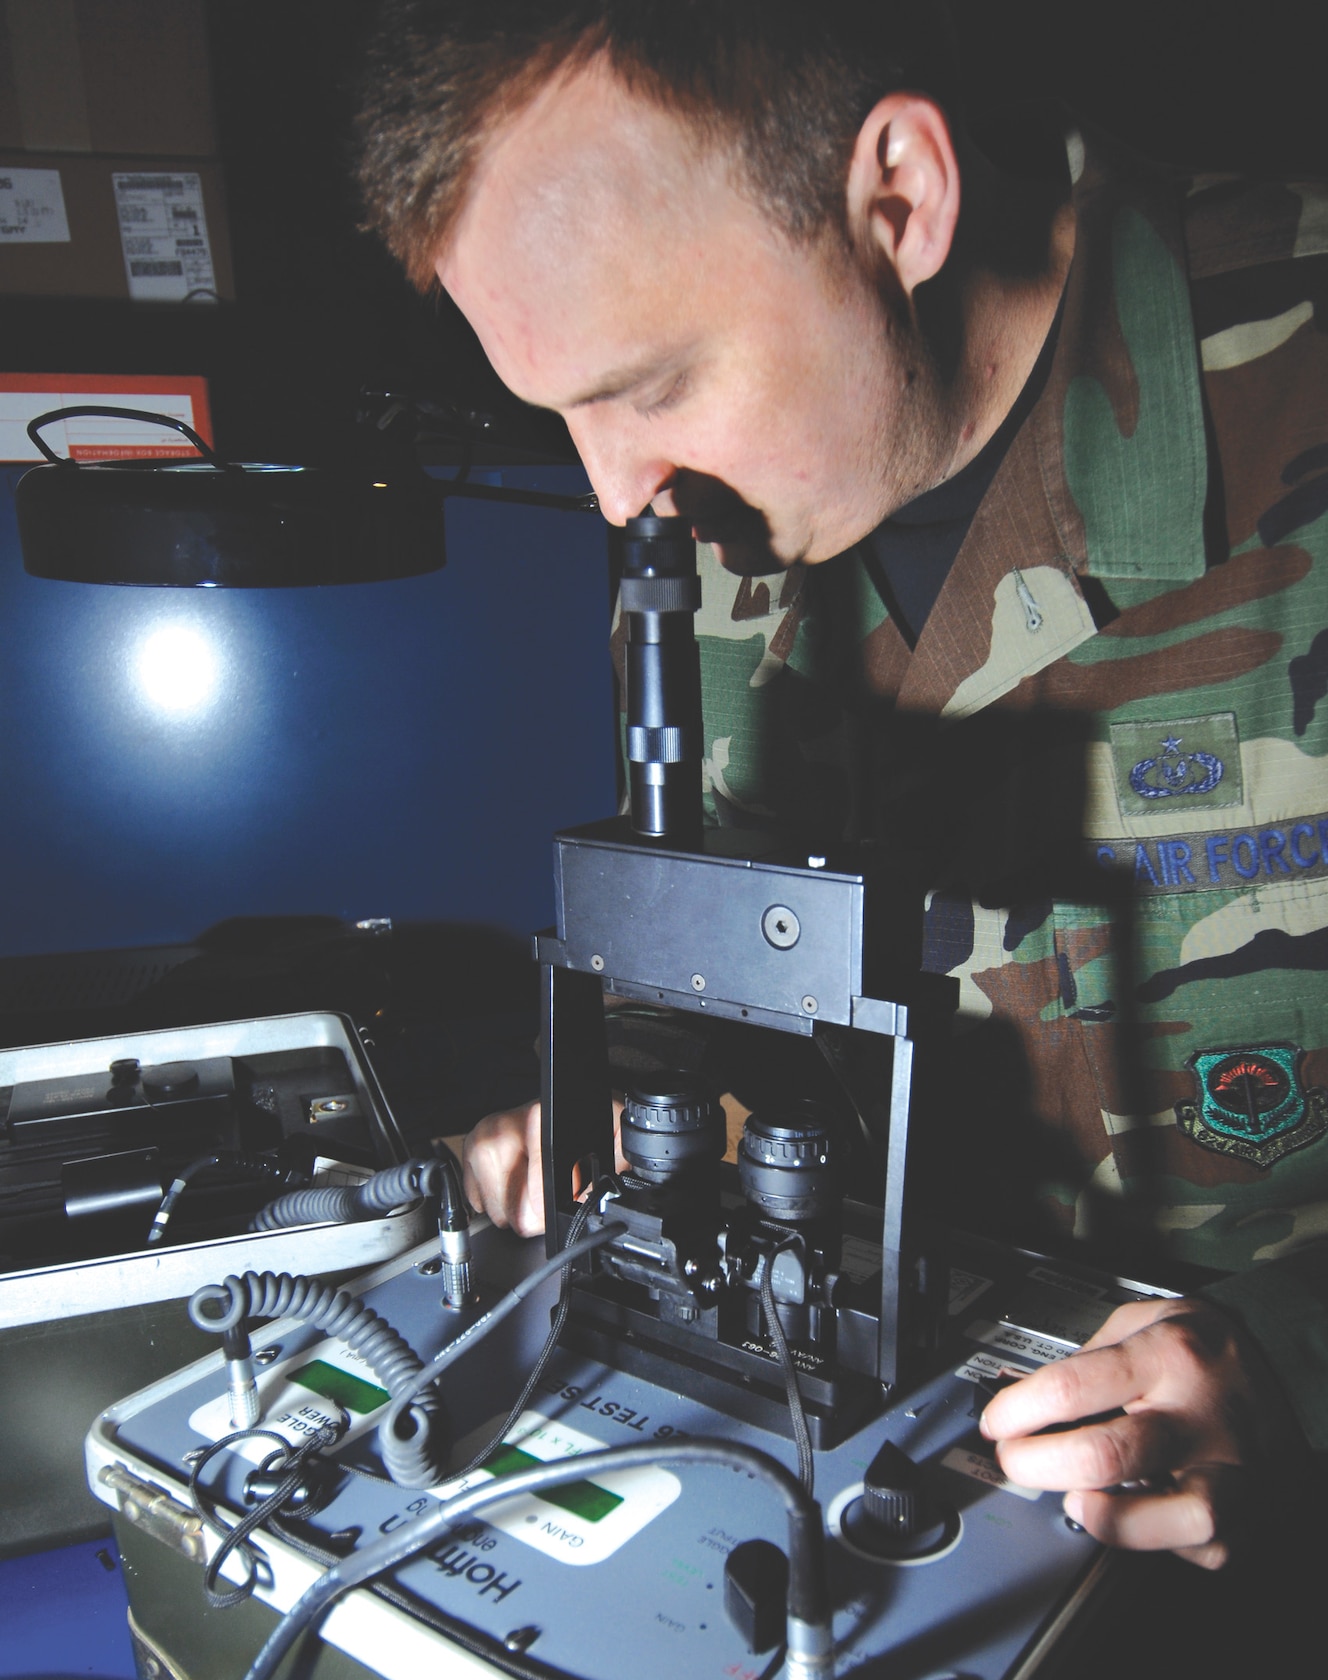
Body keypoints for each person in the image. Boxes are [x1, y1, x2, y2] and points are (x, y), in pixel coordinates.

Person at [356, 2, 1327, 1567]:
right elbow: (745, 989)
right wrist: (642, 1115)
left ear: (898, 199)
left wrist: (1293, 1370)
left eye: (650, 381)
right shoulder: (707, 551)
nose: (615, 492)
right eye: (560, 417)